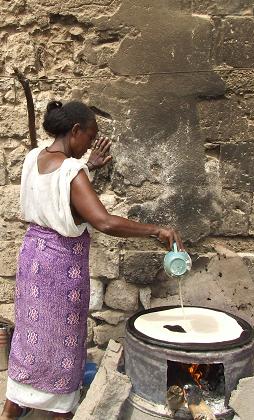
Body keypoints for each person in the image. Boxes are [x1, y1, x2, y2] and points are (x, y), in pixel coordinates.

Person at [1, 100, 184, 420]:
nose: (90, 142)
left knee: (31, 340)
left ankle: (11, 408)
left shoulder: (33, 158)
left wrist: (88, 168)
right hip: (61, 269)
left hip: (33, 260)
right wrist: (157, 230)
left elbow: (56, 193)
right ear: (75, 131)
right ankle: (60, 411)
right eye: (90, 135)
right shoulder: (73, 172)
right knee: (64, 344)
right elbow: (104, 221)